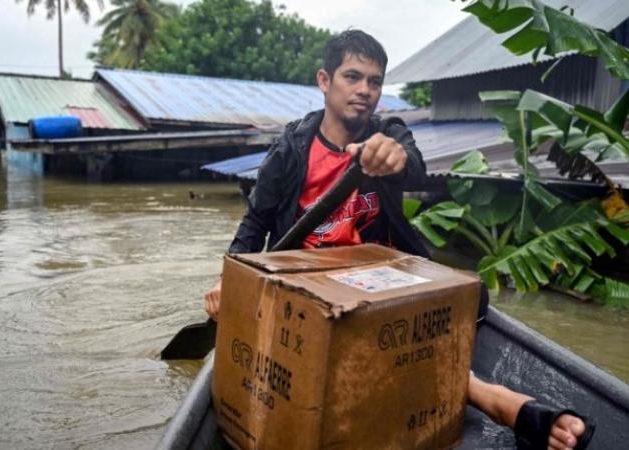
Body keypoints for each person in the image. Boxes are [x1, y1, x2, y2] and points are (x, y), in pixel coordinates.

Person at [204, 29, 593, 450]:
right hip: (308, 281)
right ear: (324, 80)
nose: (364, 90)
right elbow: (256, 220)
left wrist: (394, 157)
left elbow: (413, 164)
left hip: (376, 275)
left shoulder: (387, 131)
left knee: (470, 297)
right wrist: (231, 281)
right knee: (348, 329)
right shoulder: (290, 148)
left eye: (374, 82)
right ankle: (497, 400)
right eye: (352, 77)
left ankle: (478, 390)